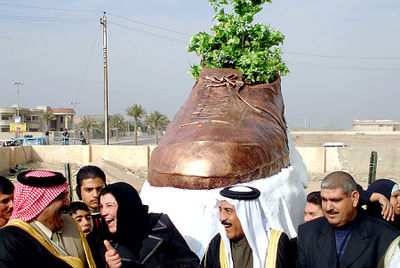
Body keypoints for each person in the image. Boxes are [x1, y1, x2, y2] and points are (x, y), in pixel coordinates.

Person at [297, 171, 400, 268]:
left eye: (335, 200)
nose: (328, 208)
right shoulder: (308, 232)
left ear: (354, 198)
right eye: (324, 200)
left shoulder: (386, 236)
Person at [0, 170, 95, 267]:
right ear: (38, 203)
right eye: (60, 197)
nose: (67, 203)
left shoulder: (71, 224)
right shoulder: (9, 239)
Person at [93, 182, 199, 267]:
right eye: (101, 207)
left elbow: (191, 261)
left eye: (109, 205)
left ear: (127, 207)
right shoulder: (103, 241)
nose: (103, 212)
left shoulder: (160, 225)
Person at [202, 185, 294, 268]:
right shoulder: (217, 245)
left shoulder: (276, 243)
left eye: (228, 211)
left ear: (247, 215)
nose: (221, 218)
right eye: (220, 210)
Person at [76, 165, 107, 233]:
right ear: (79, 191)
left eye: (99, 189)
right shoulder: (71, 220)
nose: (95, 195)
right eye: (89, 190)